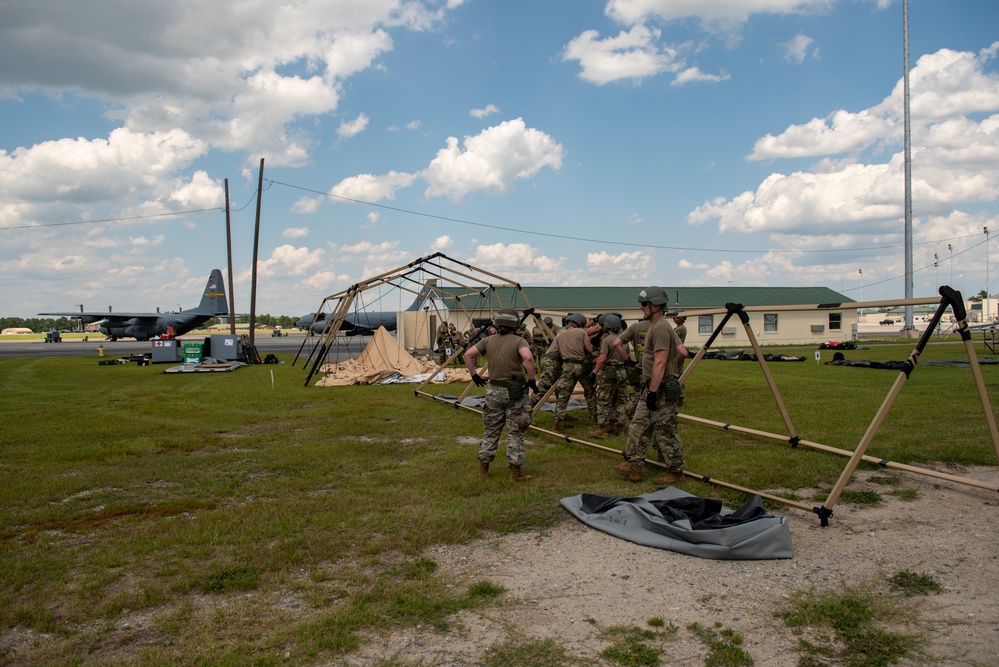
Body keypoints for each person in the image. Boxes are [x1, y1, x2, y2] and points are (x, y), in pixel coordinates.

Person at [611, 286, 688, 485]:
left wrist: (653, 392)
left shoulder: (661, 327)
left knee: (665, 431)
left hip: (660, 389)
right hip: (651, 387)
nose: (641, 308)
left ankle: (676, 473)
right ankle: (635, 466)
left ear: (656, 305)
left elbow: (661, 362)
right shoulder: (653, 325)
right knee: (638, 426)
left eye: (644, 305)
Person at [464, 308, 539, 482]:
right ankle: (515, 473)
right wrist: (532, 380)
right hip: (515, 391)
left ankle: (484, 470)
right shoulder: (519, 341)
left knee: (491, 430)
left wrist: (474, 375)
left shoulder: (488, 341)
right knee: (515, 431)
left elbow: (468, 354)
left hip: (493, 390)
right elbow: (527, 358)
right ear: (515, 323)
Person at [551, 313, 593, 432]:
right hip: (580, 365)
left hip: (567, 366)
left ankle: (556, 423)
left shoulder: (559, 335)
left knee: (563, 395)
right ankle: (596, 421)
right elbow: (589, 349)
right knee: (589, 391)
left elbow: (559, 352)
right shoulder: (582, 332)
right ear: (577, 323)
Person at [590, 314, 628, 438]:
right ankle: (620, 428)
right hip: (622, 371)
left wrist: (594, 371)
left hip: (608, 372)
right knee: (619, 400)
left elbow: (602, 358)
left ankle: (603, 429)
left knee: (603, 400)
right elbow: (627, 358)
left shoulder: (606, 340)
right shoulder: (624, 340)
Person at [672, 314, 688, 406]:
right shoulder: (676, 328)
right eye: (674, 318)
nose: (675, 319)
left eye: (678, 317)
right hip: (674, 353)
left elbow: (673, 337)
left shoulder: (681, 328)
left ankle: (681, 396)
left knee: (679, 375)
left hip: (679, 353)